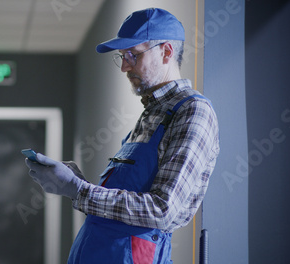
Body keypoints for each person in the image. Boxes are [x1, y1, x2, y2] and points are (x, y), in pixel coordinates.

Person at [25, 7, 220, 263]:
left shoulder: (193, 111)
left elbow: (162, 210)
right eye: (122, 57)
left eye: (133, 55)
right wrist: (75, 180)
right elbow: (124, 203)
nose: (124, 67)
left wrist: (78, 190)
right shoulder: (153, 114)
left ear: (166, 52)